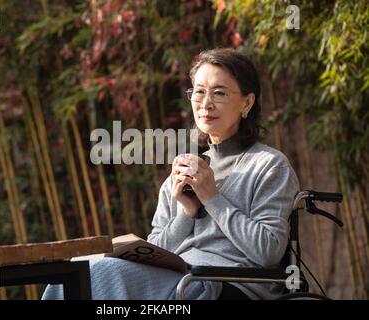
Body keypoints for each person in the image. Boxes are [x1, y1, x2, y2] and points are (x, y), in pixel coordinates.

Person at [42, 47, 300, 300]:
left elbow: (268, 252)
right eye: (199, 92)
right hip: (180, 280)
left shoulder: (269, 165)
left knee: (102, 273)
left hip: (226, 287)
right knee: (78, 271)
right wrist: (186, 214)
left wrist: (213, 199)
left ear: (247, 102)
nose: (206, 104)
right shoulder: (185, 169)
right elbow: (157, 249)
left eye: (219, 93)